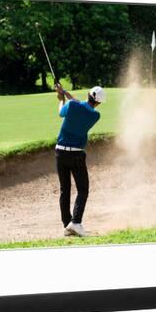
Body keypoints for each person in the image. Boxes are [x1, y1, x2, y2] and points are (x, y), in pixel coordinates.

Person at [54, 83, 106, 237]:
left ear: (88, 95)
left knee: (65, 190)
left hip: (60, 152)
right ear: (98, 102)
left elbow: (62, 112)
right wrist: (66, 94)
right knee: (82, 190)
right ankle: (75, 223)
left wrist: (60, 98)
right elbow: (82, 106)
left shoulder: (71, 106)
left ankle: (67, 225)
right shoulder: (95, 115)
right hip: (76, 154)